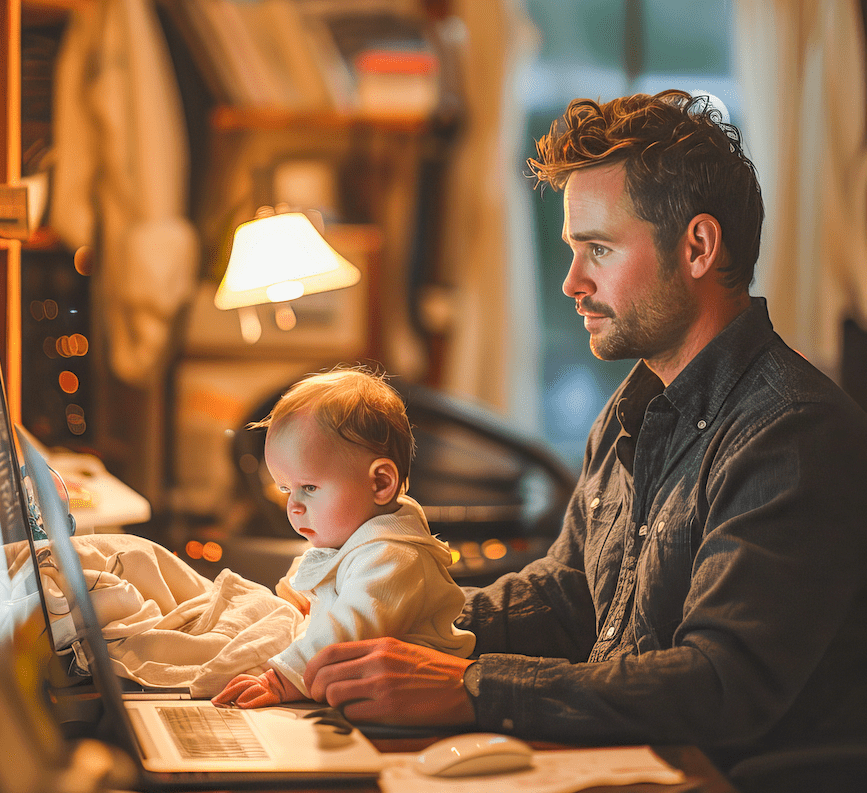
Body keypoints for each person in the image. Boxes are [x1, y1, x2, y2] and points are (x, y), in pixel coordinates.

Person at [299, 90, 867, 791]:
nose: (572, 281)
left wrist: (472, 685)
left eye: (598, 248)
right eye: (574, 250)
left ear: (697, 247)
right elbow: (569, 596)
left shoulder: (792, 433)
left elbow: (720, 681)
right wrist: (377, 616)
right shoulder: (633, 409)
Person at [212, 367, 475, 708]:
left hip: (413, 707)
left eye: (309, 488)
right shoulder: (354, 538)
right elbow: (318, 581)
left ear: (380, 483)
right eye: (285, 489)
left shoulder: (394, 558)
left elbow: (347, 631)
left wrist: (279, 679)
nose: (293, 506)